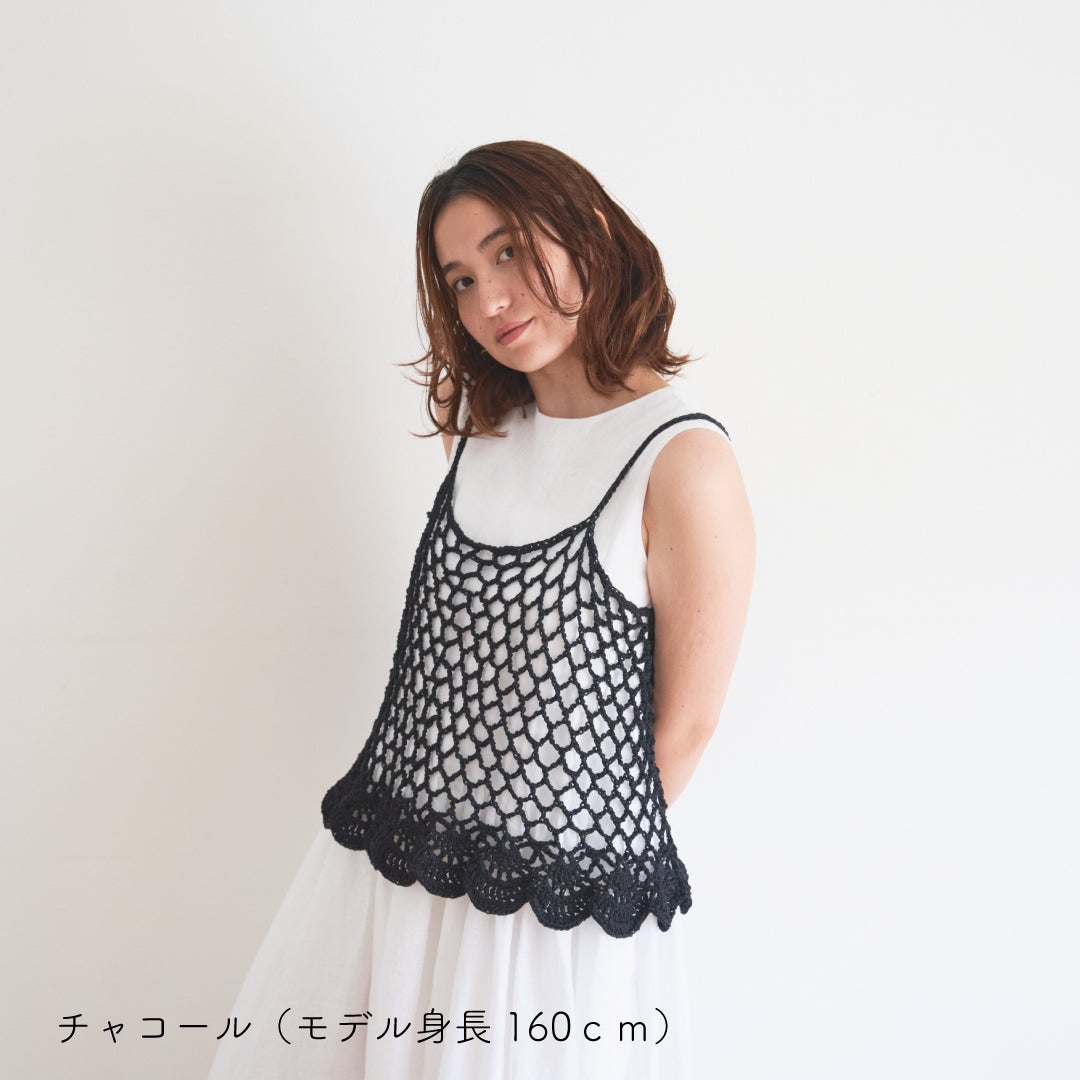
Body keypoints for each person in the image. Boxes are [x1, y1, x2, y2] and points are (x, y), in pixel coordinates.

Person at [207, 140, 755, 1080]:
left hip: (545, 917)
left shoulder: (680, 459)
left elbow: (686, 727)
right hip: (396, 868)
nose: (490, 299)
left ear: (589, 232)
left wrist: (543, 895)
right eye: (461, 279)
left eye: (508, 253)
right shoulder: (486, 436)